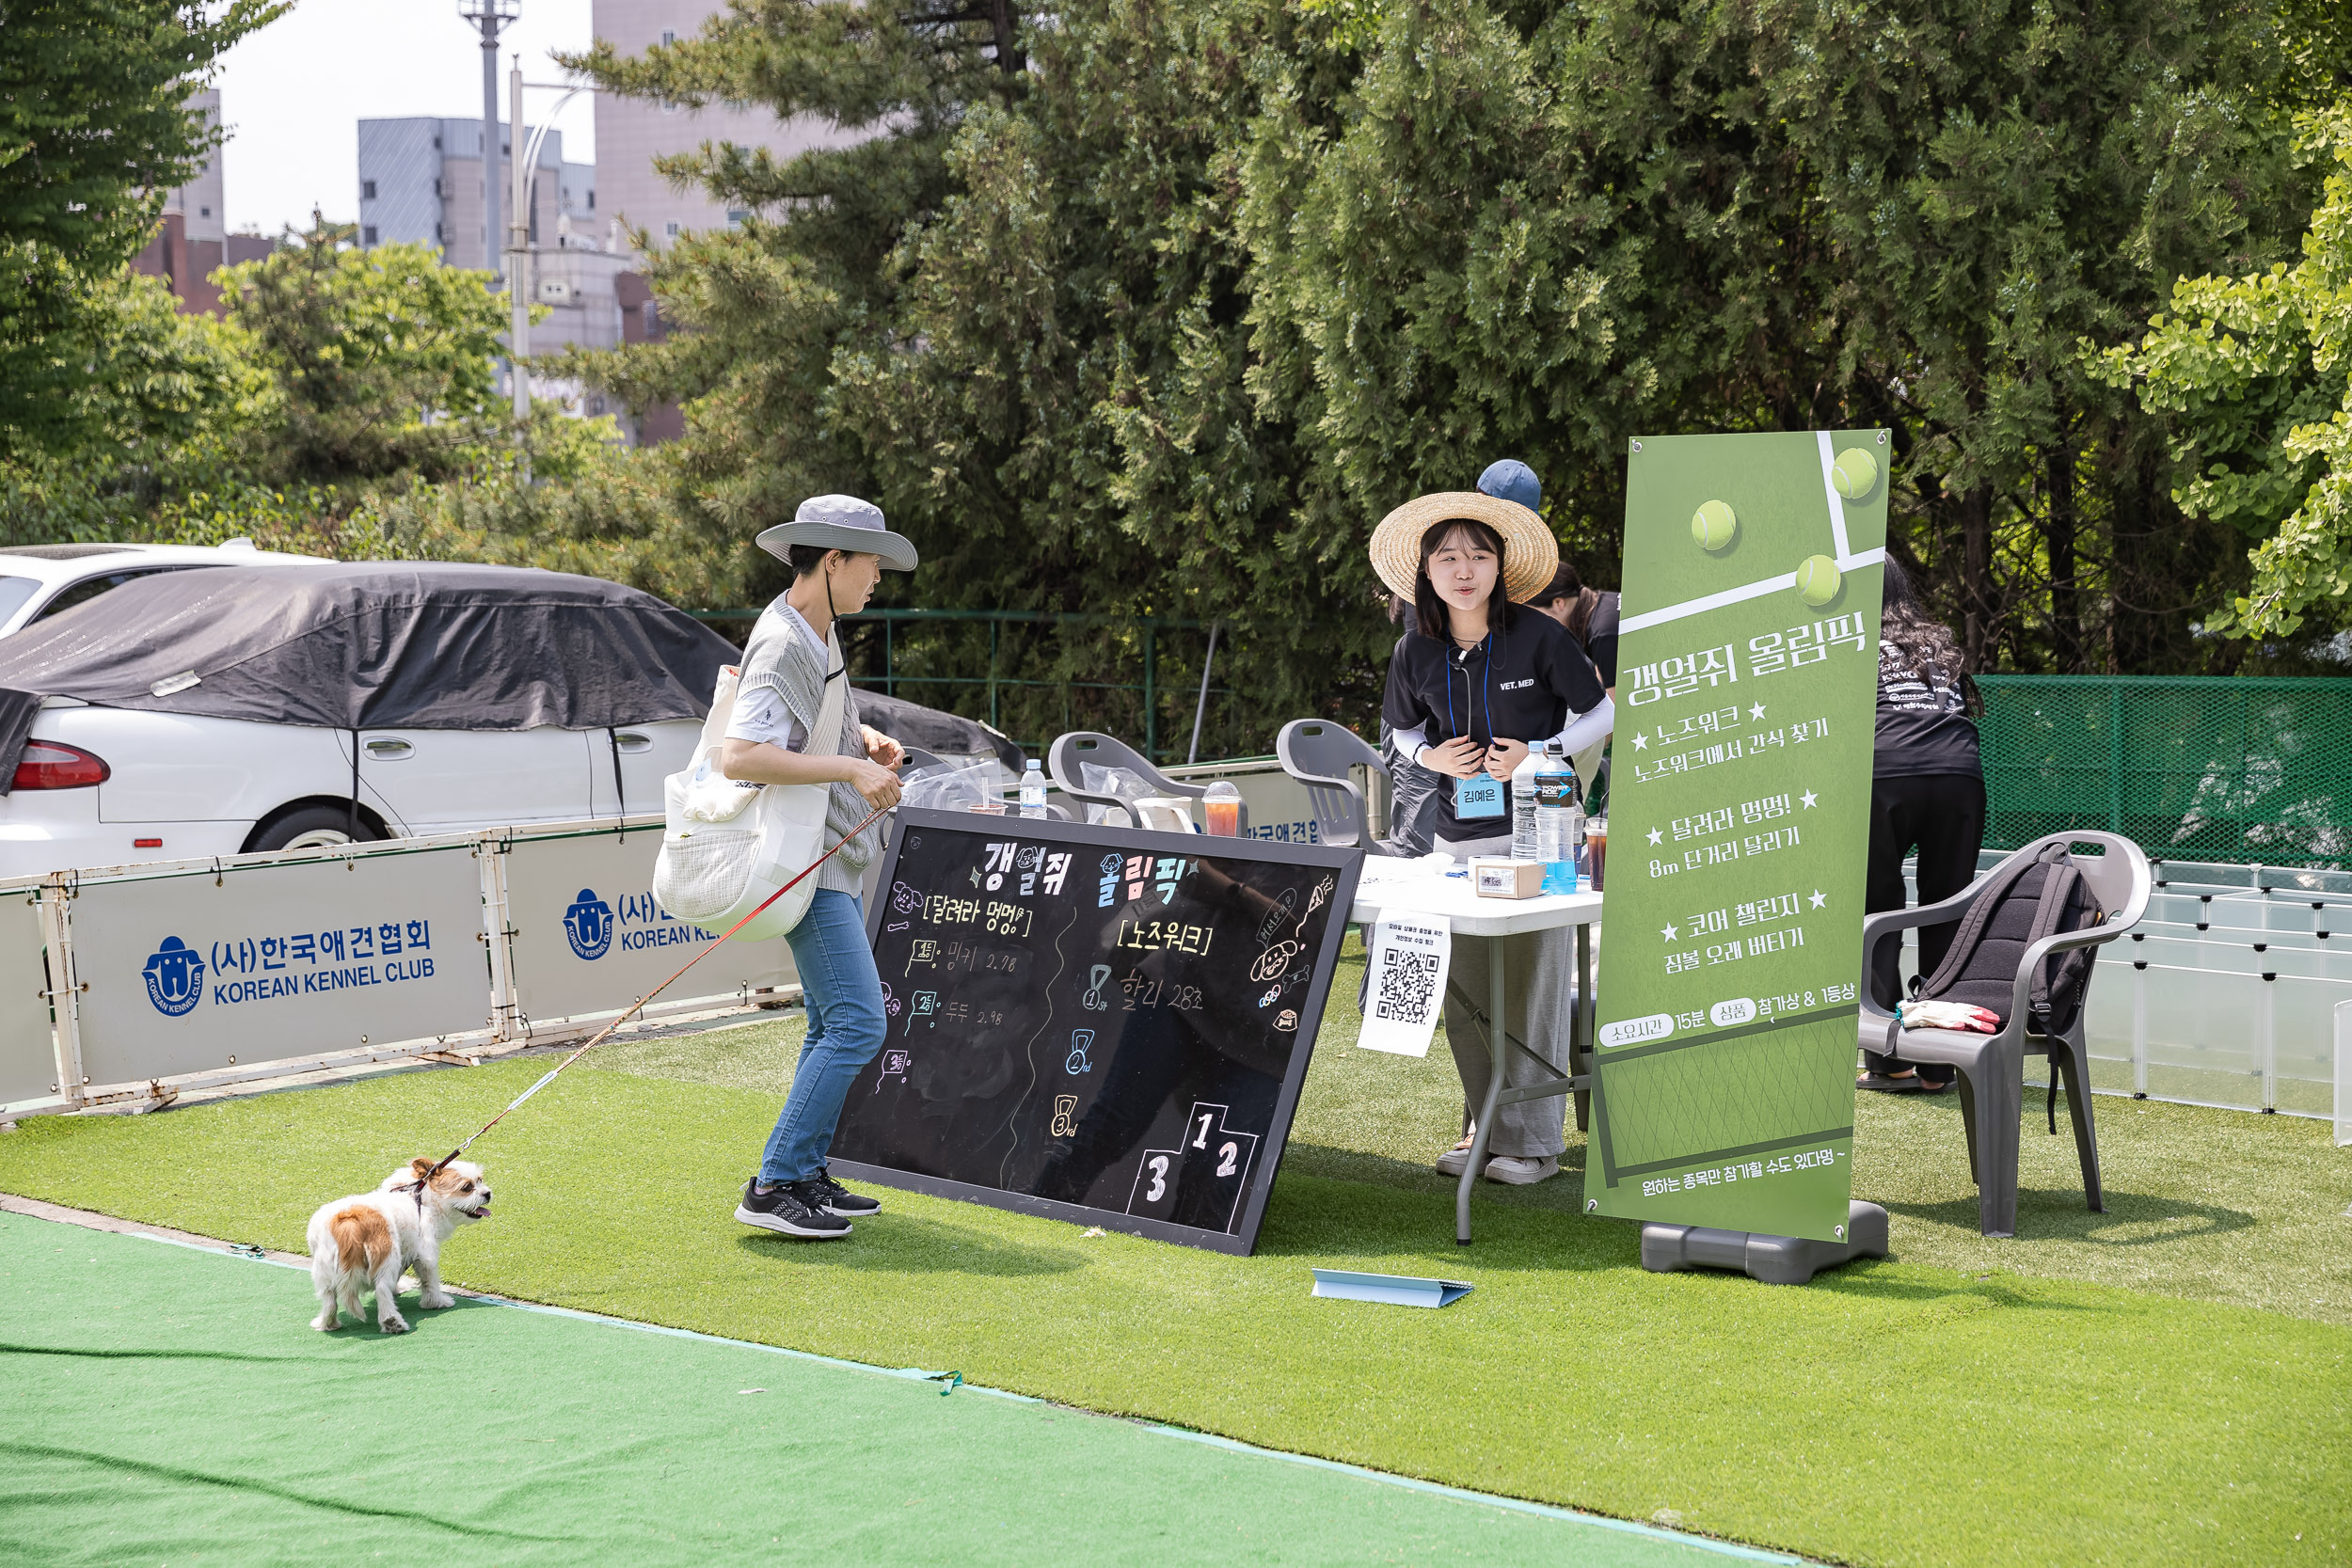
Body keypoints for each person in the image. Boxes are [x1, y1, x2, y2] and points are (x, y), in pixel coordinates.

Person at [1372, 487, 1613, 1182]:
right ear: (1426, 570)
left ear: (1500, 565)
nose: (1465, 568)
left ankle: (1533, 1146)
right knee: (1467, 991)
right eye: (1448, 556)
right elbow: (1401, 729)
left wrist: (1545, 751)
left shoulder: (1539, 636)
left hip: (1537, 833)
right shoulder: (1415, 648)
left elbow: (1600, 712)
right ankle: (1486, 1128)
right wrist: (1429, 758)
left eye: (1479, 554)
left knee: (1529, 989)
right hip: (1457, 842)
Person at [724, 495, 917, 1237]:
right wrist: (852, 768)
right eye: (869, 563)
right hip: (808, 862)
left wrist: (861, 737)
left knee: (831, 1020)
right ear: (831, 561)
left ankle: (802, 1172)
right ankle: (774, 1183)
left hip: (826, 855)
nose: (877, 579)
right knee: (860, 1022)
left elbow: (800, 725)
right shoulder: (784, 639)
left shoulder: (816, 630)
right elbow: (740, 755)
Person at [1860, 558, 1985, 1093]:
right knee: (1947, 910)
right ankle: (1940, 1064)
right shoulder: (1934, 643)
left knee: (1877, 910)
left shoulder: (1848, 641)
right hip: (1960, 772)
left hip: (1884, 773)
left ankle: (1888, 1059)